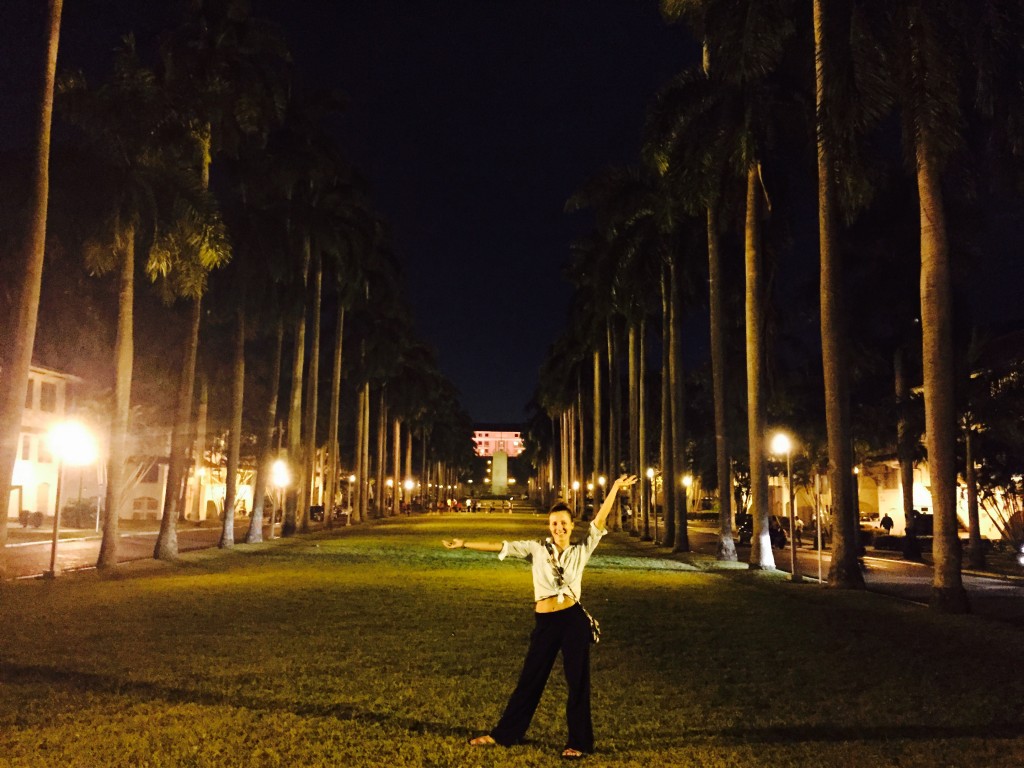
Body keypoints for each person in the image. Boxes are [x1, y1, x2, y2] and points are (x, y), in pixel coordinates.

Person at [442, 473, 638, 760]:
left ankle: (580, 742)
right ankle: (505, 734)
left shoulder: (581, 550)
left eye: (563, 523)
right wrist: (465, 543)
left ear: (572, 526)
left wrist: (614, 489)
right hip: (545, 623)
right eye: (554, 523)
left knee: (578, 682)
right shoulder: (536, 549)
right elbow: (502, 546)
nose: (559, 527)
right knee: (530, 679)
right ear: (549, 526)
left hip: (573, 621)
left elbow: (599, 521)